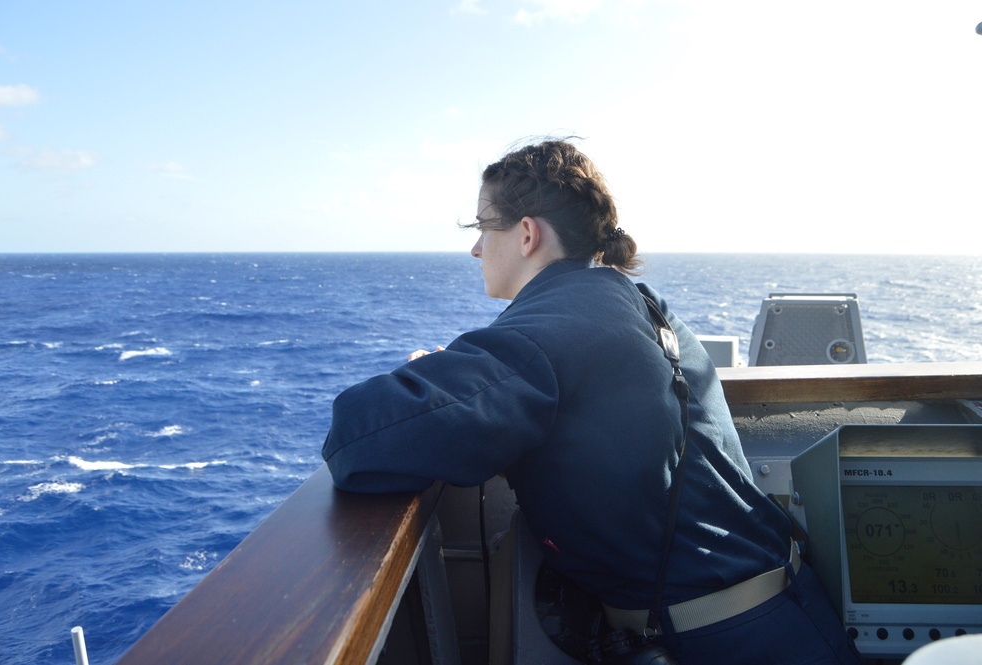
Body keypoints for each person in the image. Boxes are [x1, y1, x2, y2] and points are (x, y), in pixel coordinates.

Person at [321, 139, 862, 665]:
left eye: (484, 227)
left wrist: (434, 377)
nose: (477, 248)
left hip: (724, 643)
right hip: (785, 615)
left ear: (527, 233)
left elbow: (356, 438)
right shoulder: (628, 299)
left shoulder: (548, 334)